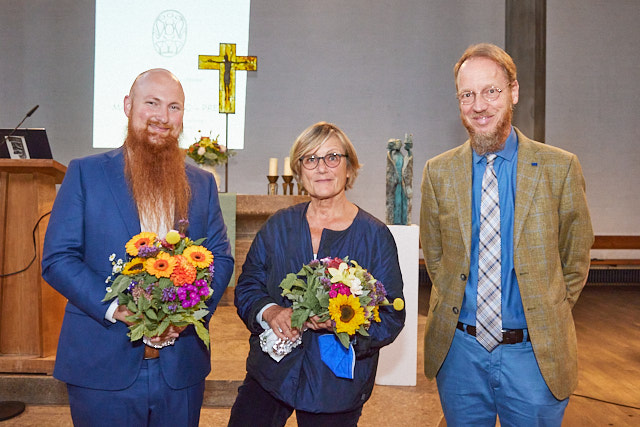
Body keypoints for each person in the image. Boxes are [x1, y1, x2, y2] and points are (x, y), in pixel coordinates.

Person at [41, 68, 234, 426]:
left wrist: (187, 314)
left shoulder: (202, 183)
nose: (163, 116)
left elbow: (221, 257)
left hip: (180, 370)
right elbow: (58, 259)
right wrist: (117, 307)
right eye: (152, 103)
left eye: (174, 107)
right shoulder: (86, 173)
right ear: (129, 106)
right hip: (101, 367)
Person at [420, 43, 594, 425]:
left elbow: (575, 256)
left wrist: (545, 310)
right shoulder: (438, 173)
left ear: (513, 92)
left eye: (490, 91)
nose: (478, 105)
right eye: (467, 94)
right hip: (460, 356)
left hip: (533, 357)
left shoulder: (559, 168)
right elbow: (436, 257)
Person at [229, 122, 405, 427]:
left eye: (332, 157)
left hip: (335, 384)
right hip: (272, 372)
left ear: (349, 168)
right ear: (299, 172)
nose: (321, 168)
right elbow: (248, 286)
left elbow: (390, 315)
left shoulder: (374, 235)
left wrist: (344, 326)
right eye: (310, 159)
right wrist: (270, 311)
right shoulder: (278, 226)